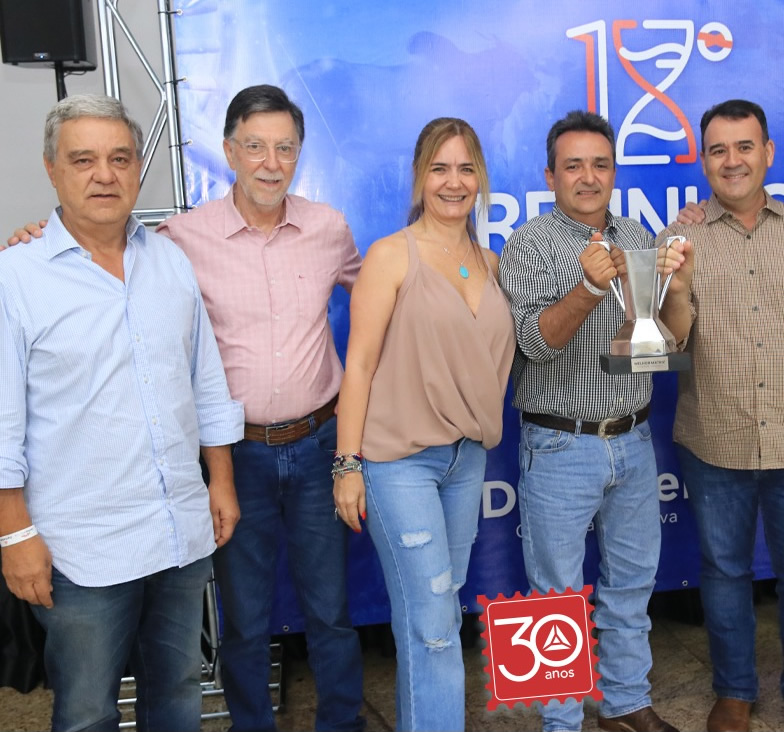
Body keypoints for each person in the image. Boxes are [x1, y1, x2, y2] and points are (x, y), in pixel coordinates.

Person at [7, 85, 367, 732]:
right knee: (239, 625)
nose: (269, 161)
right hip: (222, 465)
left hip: (310, 447)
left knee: (327, 615)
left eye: (285, 148)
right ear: (228, 151)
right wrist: (35, 236)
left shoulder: (322, 230)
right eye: (254, 146)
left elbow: (379, 296)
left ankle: (343, 724)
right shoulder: (179, 241)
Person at [0, 94, 244, 731]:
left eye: (119, 158)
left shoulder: (168, 260)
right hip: (83, 546)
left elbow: (206, 382)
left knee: (176, 700)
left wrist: (220, 479)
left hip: (178, 530)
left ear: (139, 169)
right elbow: (2, 421)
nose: (103, 174)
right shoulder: (15, 278)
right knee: (86, 713)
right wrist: (13, 534)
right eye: (83, 159)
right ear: (52, 169)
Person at [657, 100, 784, 732]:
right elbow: (669, 350)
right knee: (723, 575)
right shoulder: (675, 241)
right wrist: (682, 287)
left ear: (768, 153)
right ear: (703, 160)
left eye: (744, 147)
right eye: (718, 149)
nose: (732, 160)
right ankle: (735, 692)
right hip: (713, 442)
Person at [498, 110, 679, 732]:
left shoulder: (636, 235)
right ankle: (561, 722)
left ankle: (627, 702)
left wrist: (673, 286)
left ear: (614, 172)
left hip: (632, 436)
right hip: (559, 442)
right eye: (573, 165)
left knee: (631, 585)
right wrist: (588, 290)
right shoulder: (529, 244)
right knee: (555, 599)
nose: (587, 176)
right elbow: (529, 344)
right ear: (550, 174)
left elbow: (657, 344)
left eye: (600, 164)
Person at [332, 117, 514, 732]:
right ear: (418, 177)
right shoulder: (391, 256)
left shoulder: (491, 262)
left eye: (466, 168)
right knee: (435, 624)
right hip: (398, 463)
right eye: (440, 168)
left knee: (433, 613)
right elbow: (357, 366)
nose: (453, 182)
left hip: (468, 461)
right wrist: (348, 464)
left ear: (481, 178)